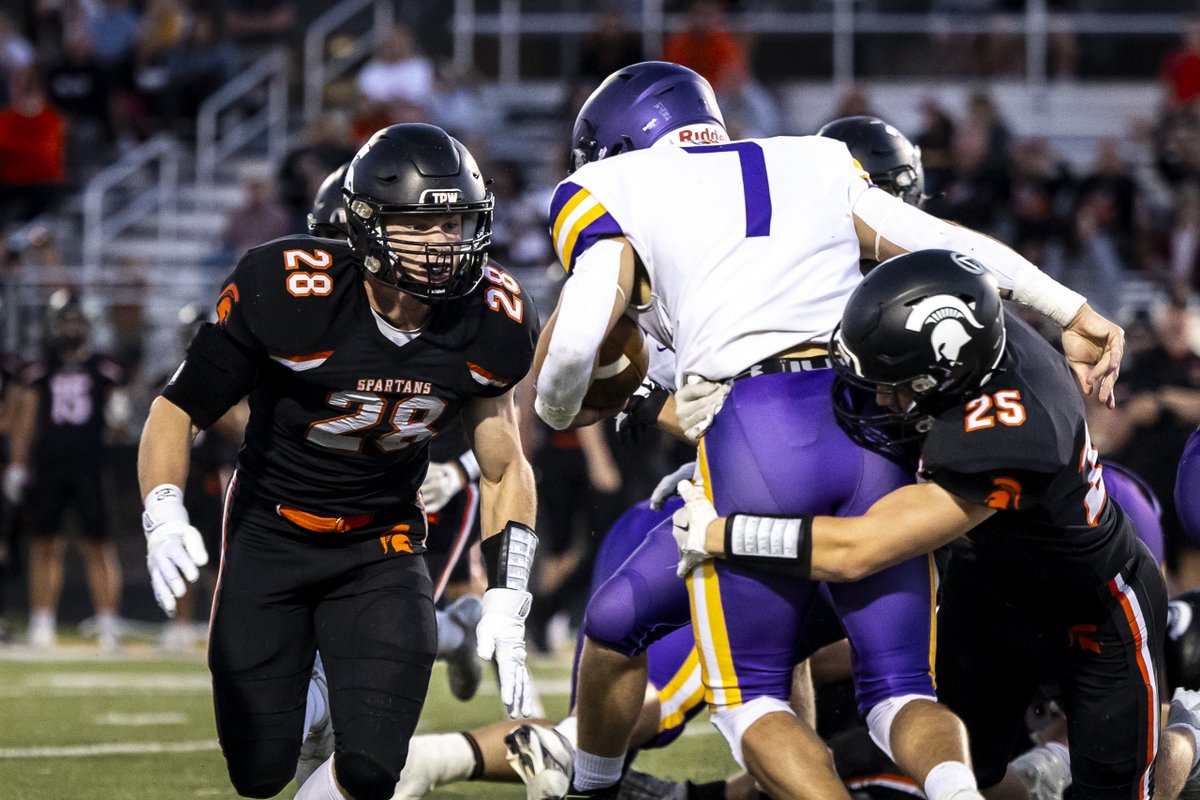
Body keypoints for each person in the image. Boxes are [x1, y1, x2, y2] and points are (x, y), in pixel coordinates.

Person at [534, 61, 1123, 800]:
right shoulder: (809, 155)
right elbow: (940, 241)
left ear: (619, 142)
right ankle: (955, 792)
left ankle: (593, 786)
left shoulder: (610, 187)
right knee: (899, 691)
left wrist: (556, 412)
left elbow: (573, 339)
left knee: (750, 698)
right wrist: (1071, 309)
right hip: (869, 419)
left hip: (754, 426)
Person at [137, 123, 541, 800]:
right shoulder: (290, 291)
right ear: (366, 225)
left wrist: (506, 593)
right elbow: (177, 408)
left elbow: (504, 465)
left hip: (380, 543)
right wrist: (162, 511)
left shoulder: (491, 316)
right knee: (260, 770)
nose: (449, 243)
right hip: (272, 532)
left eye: (460, 223)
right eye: (425, 224)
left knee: (372, 768)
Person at [670, 249, 1166, 799]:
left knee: (1115, 793)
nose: (880, 398)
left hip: (1091, 610)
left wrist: (720, 533)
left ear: (945, 373)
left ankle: (1184, 734)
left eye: (895, 385)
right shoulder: (970, 321)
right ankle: (1042, 774)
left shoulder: (1015, 433)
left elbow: (858, 549)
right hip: (986, 594)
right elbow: (950, 247)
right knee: (952, 773)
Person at [305, 161, 488, 703]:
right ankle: (453, 633)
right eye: (333, 243)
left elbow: (515, 424)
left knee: (382, 631)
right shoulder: (307, 306)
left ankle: (451, 632)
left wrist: (459, 472)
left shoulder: (460, 309)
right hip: (347, 481)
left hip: (430, 484)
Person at [6, 290, 129, 651]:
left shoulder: (104, 367)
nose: (70, 327)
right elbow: (25, 419)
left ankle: (108, 624)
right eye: (65, 320)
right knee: (46, 544)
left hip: (90, 465)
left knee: (99, 545)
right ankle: (42, 622)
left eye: (76, 320)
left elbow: (118, 422)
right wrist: (17, 465)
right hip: (48, 467)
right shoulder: (38, 369)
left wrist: (118, 413)